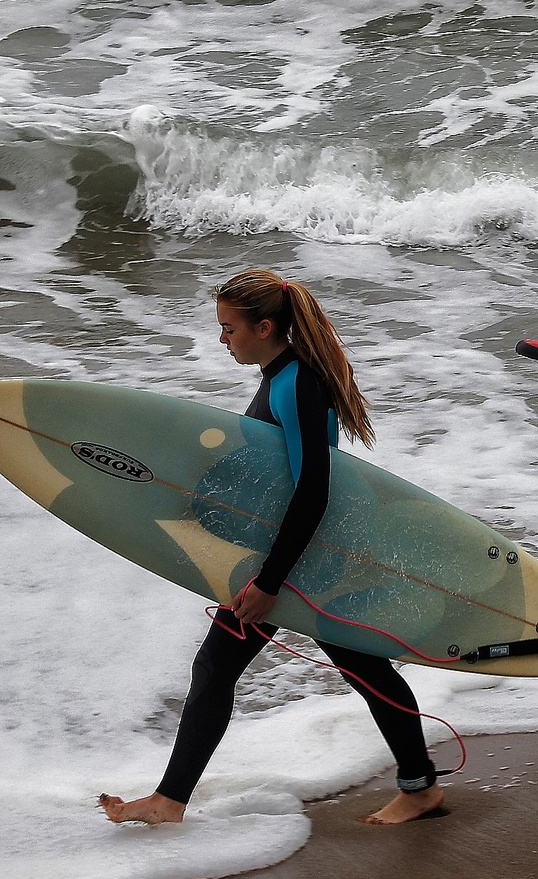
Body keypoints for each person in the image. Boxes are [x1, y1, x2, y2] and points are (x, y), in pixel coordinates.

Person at [99, 270, 444, 826]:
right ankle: (420, 786)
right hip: (298, 554)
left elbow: (314, 489)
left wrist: (270, 582)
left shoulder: (297, 384)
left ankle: (170, 802)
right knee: (353, 668)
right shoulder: (281, 375)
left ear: (263, 327)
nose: (222, 339)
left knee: (231, 667)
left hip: (301, 559)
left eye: (229, 328)